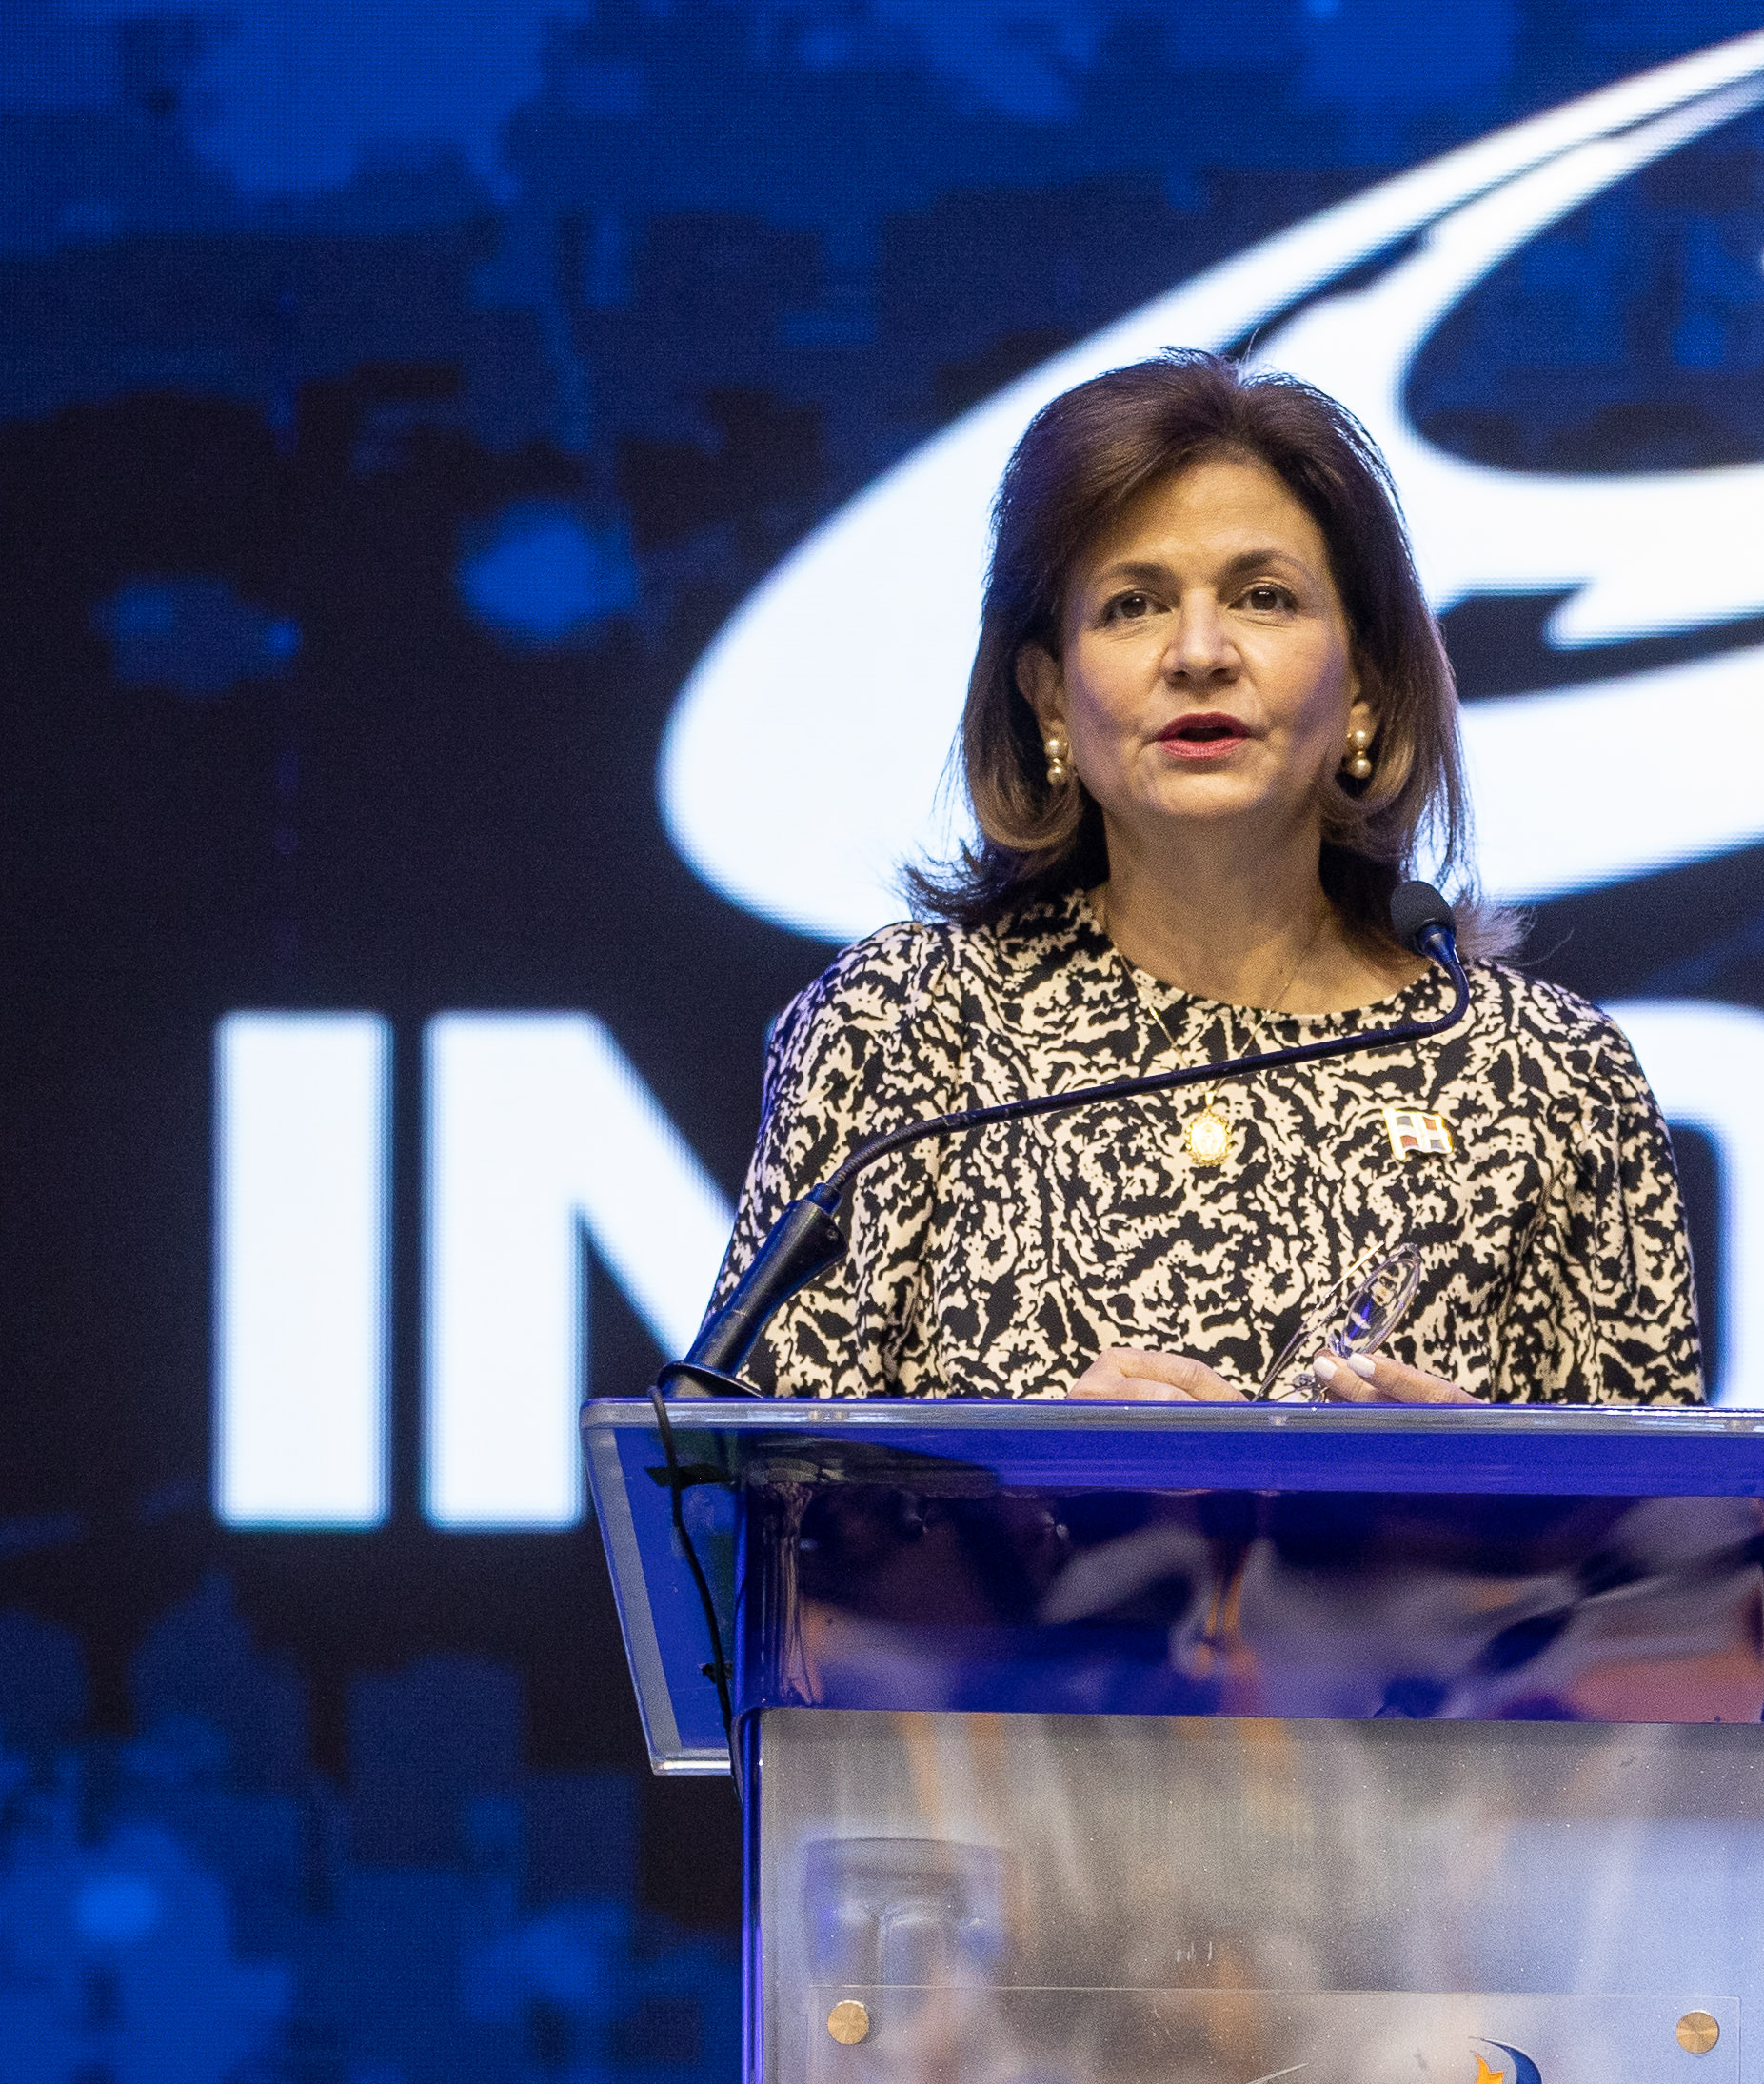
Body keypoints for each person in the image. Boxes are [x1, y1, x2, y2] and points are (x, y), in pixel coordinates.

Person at [704, 349, 1706, 1408]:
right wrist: (1034, 1480)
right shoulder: (903, 1027)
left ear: (1365, 681)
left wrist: (1490, 1492)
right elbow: (732, 1493)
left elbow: (1680, 1516)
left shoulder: (1549, 1077)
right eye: (1131, 605)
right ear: (1049, 696)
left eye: (1263, 597)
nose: (1197, 651)